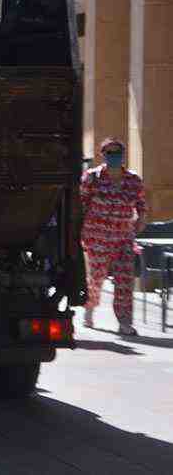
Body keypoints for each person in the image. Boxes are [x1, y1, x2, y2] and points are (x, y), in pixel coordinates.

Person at [80, 137, 148, 336]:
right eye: (109, 153)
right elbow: (81, 204)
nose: (114, 156)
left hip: (123, 237)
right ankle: (90, 308)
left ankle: (125, 321)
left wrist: (140, 221)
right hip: (97, 237)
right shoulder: (92, 178)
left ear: (123, 155)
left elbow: (141, 205)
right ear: (103, 155)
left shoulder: (133, 180)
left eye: (117, 152)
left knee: (124, 280)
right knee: (95, 278)